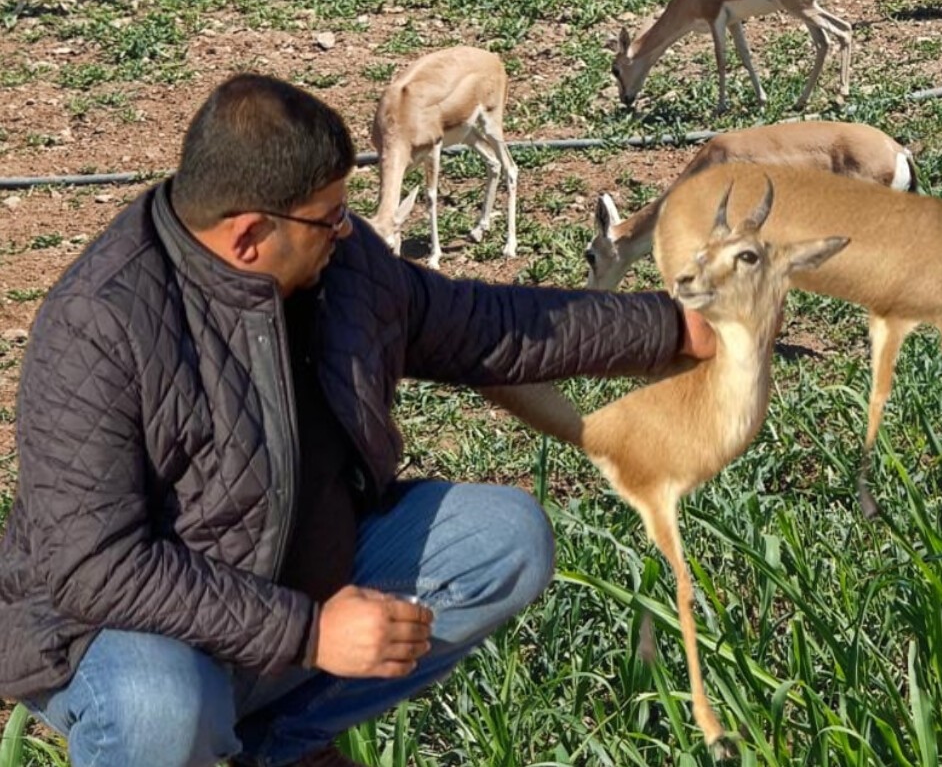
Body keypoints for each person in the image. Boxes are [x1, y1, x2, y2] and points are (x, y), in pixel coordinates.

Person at [0, 73, 716, 767]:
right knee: (159, 709)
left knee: (504, 541)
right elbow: (94, 568)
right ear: (249, 236)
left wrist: (670, 328)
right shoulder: (100, 324)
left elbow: (482, 327)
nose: (348, 228)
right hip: (126, 630)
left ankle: (277, 740)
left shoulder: (343, 266)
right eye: (328, 217)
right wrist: (309, 635)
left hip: (287, 578)